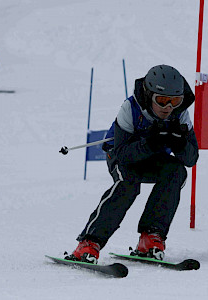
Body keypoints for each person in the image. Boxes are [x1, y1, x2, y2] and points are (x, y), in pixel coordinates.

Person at [66, 65, 199, 264]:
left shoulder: (180, 114)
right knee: (128, 183)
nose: (168, 107)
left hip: (153, 159)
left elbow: (191, 159)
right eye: (162, 101)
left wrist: (179, 143)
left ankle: (151, 237)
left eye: (175, 101)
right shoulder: (130, 108)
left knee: (176, 171)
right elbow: (122, 154)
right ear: (149, 95)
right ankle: (89, 242)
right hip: (122, 156)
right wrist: (149, 143)